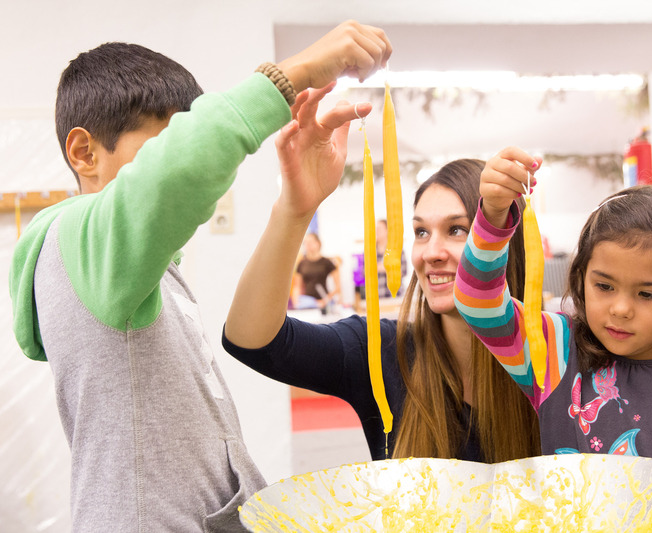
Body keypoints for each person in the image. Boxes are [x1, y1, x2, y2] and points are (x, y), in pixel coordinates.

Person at [8, 21, 391, 532]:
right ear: (85, 153)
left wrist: (294, 208)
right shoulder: (74, 237)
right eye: (165, 143)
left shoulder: (131, 271)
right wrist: (293, 74)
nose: (187, 157)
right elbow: (181, 171)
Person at [454, 147, 652, 531]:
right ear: (581, 276)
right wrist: (494, 215)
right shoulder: (555, 349)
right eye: (604, 286)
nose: (621, 308)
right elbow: (477, 301)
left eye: (647, 294)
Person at [223, 114, 540, 462]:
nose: (431, 253)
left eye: (456, 230)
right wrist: (294, 212)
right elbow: (252, 341)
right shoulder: (382, 352)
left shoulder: (555, 360)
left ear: (503, 239)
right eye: (421, 232)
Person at [293, 232, 341, 311]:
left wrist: (326, 300)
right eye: (306, 243)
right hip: (307, 302)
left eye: (311, 242)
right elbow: (297, 287)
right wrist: (296, 302)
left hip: (324, 301)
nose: (308, 245)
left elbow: (338, 286)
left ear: (318, 243)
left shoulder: (327, 262)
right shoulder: (302, 263)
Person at [375, 218, 408, 298]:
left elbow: (403, 271)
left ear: (387, 231)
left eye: (379, 229)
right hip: (376, 296)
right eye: (376, 229)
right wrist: (391, 268)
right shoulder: (370, 251)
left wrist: (382, 268)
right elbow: (364, 271)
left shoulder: (397, 249)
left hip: (396, 296)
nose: (376, 231)